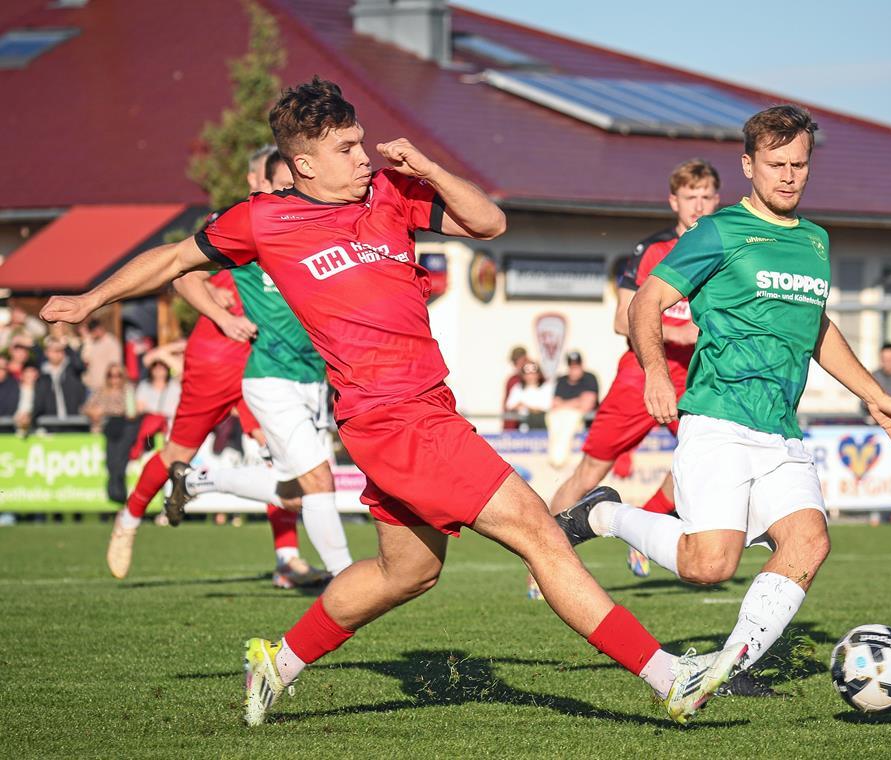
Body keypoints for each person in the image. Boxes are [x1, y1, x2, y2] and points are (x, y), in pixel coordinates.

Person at [40, 78, 731, 727]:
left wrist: (427, 166)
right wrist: (88, 299)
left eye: (361, 141)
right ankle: (670, 676)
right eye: (345, 149)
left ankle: (275, 664)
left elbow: (488, 222)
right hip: (393, 418)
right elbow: (171, 259)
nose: (363, 157)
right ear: (304, 165)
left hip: (421, 408)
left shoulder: (391, 193)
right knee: (540, 533)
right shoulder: (263, 220)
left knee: (410, 572)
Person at [555, 105, 891, 693]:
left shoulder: (817, 242)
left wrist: (874, 394)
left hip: (781, 429)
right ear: (749, 165)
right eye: (776, 164)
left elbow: (816, 327)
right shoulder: (717, 232)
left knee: (808, 541)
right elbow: (645, 302)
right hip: (718, 420)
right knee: (708, 565)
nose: (790, 176)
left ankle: (725, 669)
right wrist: (654, 372)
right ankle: (603, 513)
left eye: (800, 164)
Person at [101, 146, 324, 590]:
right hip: (219, 356)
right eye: (274, 179)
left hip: (269, 360)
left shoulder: (301, 222)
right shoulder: (234, 221)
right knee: (176, 453)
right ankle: (128, 521)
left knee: (285, 458)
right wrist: (222, 313)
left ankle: (287, 558)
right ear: (255, 181)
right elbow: (184, 273)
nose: (283, 187)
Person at [168, 146, 354, 582]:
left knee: (294, 494)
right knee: (320, 481)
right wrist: (221, 316)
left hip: (313, 379)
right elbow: (184, 272)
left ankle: (198, 481)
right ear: (270, 183)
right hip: (271, 377)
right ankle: (348, 581)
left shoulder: (320, 227)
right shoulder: (253, 227)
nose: (294, 188)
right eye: (285, 181)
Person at [547, 159, 720, 578]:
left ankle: (645, 529)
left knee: (703, 459)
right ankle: (545, 560)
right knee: (591, 469)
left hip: (698, 377)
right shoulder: (653, 250)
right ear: (673, 201)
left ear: (717, 200)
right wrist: (677, 335)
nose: (698, 205)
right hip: (641, 374)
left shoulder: (725, 250)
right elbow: (623, 320)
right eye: (689, 196)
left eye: (706, 196)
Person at [83, 364, 138, 504]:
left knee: (120, 462)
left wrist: (110, 411)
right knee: (111, 462)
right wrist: (94, 412)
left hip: (124, 429)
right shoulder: (101, 391)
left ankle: (120, 494)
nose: (115, 379)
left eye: (118, 375)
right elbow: (86, 408)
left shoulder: (128, 390)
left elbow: (131, 413)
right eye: (111, 375)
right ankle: (113, 493)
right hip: (107, 429)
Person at [546, 351, 600, 468]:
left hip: (587, 430)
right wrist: (577, 401)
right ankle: (557, 459)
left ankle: (559, 459)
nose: (574, 370)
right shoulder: (562, 380)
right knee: (556, 424)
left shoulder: (589, 378)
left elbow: (587, 405)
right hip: (563, 422)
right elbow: (555, 404)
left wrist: (565, 404)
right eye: (572, 367)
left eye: (577, 366)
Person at [34, 336, 87, 427]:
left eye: (60, 350)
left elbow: (80, 365)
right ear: (47, 353)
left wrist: (67, 346)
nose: (58, 353)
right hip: (49, 424)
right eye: (54, 350)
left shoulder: (71, 369)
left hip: (73, 423)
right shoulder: (42, 373)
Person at [504, 360, 552, 431]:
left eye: (533, 373)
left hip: (542, 423)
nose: (530, 376)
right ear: (523, 375)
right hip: (523, 423)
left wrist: (527, 407)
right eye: (527, 374)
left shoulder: (546, 387)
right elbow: (509, 405)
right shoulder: (518, 388)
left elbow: (546, 406)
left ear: (538, 374)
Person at [80, 318, 123, 393]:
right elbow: (85, 359)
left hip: (106, 387)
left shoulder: (112, 343)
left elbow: (115, 366)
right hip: (91, 386)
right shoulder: (91, 343)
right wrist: (88, 341)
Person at [501, 345, 528, 431]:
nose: (518, 365)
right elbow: (507, 406)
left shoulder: (538, 378)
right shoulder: (512, 380)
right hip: (513, 427)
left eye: (521, 361)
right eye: (515, 362)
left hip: (532, 427)